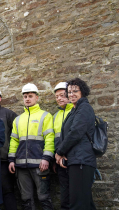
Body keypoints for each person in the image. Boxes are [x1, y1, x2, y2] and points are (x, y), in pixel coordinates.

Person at [8, 83, 55, 210]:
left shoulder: (45, 116)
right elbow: (14, 141)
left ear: (37, 98)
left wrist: (46, 158)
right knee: (26, 199)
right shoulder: (18, 120)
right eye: (25, 96)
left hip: (40, 164)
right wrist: (11, 160)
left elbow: (50, 138)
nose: (27, 99)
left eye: (30, 96)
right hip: (21, 166)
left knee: (44, 198)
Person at [55, 78, 97, 210]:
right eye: (69, 92)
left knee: (78, 204)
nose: (71, 94)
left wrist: (59, 152)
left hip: (82, 161)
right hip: (76, 160)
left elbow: (75, 133)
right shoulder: (74, 109)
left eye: (75, 91)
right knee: (85, 203)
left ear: (82, 92)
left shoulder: (84, 108)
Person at [52, 82, 73, 210]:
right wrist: (55, 160)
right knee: (64, 195)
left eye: (62, 95)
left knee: (78, 195)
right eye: (57, 96)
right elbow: (54, 139)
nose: (59, 98)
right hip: (60, 161)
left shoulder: (76, 111)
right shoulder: (55, 116)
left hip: (74, 159)